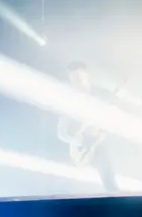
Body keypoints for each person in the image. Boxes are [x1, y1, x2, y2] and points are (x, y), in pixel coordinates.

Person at [56, 61, 119, 192]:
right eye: (73, 79)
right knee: (67, 188)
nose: (76, 82)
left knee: (110, 185)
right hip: (79, 150)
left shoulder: (102, 94)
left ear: (87, 75)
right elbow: (61, 131)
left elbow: (115, 120)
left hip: (100, 146)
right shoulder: (69, 101)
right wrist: (74, 140)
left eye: (78, 77)